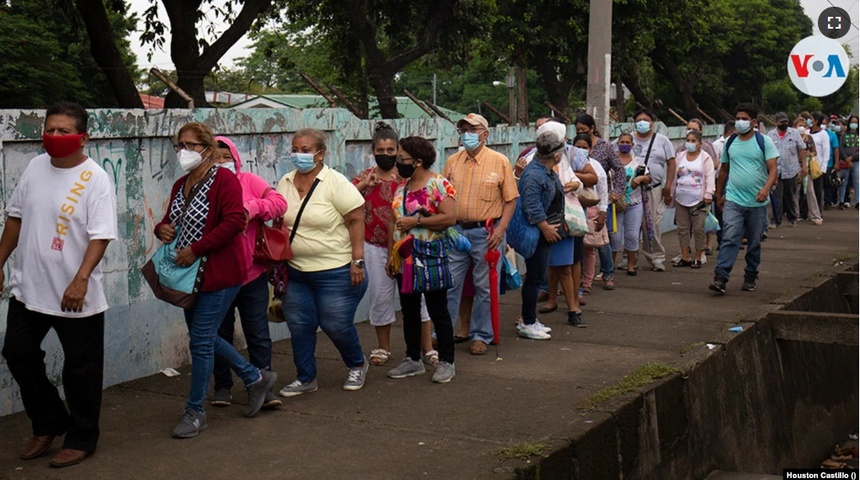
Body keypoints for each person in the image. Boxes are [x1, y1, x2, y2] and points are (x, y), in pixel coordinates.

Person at [0, 102, 117, 467]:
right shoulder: (36, 166)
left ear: (84, 137)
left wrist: (81, 280)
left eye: (65, 131)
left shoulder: (95, 178)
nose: (55, 136)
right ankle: (49, 420)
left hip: (73, 292)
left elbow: (101, 236)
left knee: (80, 369)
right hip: (29, 287)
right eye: (50, 128)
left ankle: (82, 437)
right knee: (17, 353)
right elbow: (16, 218)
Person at [155, 122, 277, 439]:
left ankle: (195, 411)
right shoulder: (181, 183)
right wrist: (162, 229)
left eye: (192, 145)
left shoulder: (224, 179)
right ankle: (255, 377)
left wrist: (196, 249)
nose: (184, 151)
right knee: (203, 335)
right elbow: (171, 219)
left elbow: (236, 220)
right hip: (188, 274)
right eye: (180, 144)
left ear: (208, 149)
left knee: (200, 340)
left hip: (221, 272)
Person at [276, 128, 369, 396]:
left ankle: (357, 363)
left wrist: (358, 261)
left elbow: (355, 220)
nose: (298, 155)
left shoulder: (335, 182)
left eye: (305, 150)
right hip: (296, 272)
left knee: (335, 324)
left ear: (320, 154)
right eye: (295, 149)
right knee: (299, 325)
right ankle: (306, 378)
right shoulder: (285, 181)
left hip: (336, 270)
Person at [209, 136, 288, 409]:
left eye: (225, 157)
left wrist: (252, 208)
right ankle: (222, 386)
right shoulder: (202, 187)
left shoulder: (249, 182)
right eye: (214, 157)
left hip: (251, 274)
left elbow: (279, 203)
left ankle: (263, 387)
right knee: (219, 333)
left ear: (235, 159)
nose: (221, 162)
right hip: (217, 275)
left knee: (258, 332)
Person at [352, 123, 434, 367]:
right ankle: (383, 347)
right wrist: (365, 186)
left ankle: (427, 347)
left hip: (410, 245)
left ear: (399, 151)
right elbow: (344, 201)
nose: (385, 154)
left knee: (419, 299)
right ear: (372, 150)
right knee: (380, 297)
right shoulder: (365, 178)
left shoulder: (408, 178)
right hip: (375, 247)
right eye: (380, 149)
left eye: (391, 150)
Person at [443, 114, 518, 356]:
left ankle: (481, 335)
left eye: (472, 129)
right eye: (463, 129)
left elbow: (510, 200)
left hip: (487, 233)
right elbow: (442, 195)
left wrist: (501, 229)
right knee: (449, 284)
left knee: (485, 287)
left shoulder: (499, 161)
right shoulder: (453, 161)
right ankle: (441, 333)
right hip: (456, 231)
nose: (466, 134)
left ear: (485, 134)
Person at [385, 136, 458, 382]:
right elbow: (393, 222)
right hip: (404, 260)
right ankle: (412, 358)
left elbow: (449, 218)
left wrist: (416, 221)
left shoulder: (438, 184)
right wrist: (390, 256)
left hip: (430, 258)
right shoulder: (401, 187)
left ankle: (447, 361)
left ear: (417, 161)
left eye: (402, 158)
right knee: (410, 310)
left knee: (438, 310)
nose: (397, 162)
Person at [710, 104, 778, 294]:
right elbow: (723, 170)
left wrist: (766, 189)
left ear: (754, 122)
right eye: (737, 118)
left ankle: (750, 275)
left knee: (754, 242)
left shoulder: (764, 142)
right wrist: (719, 194)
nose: (740, 122)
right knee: (730, 237)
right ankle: (721, 277)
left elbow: (773, 169)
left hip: (758, 202)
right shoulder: (731, 142)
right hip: (733, 199)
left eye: (744, 118)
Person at [516, 130, 567, 339]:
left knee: (537, 276)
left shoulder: (547, 171)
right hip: (538, 233)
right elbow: (531, 205)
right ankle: (527, 321)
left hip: (547, 231)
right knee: (534, 278)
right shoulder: (535, 174)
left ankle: (530, 319)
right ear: (556, 154)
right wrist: (545, 227)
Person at [575, 114, 624, 290]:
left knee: (600, 241)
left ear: (592, 128)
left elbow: (618, 169)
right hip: (577, 204)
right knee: (582, 246)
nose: (581, 132)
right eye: (578, 130)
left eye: (584, 129)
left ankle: (607, 273)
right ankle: (581, 281)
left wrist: (617, 192)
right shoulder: (570, 154)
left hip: (598, 201)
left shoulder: (604, 147)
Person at [630, 108, 675, 272]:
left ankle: (656, 257)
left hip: (653, 188)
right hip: (631, 189)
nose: (642, 122)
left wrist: (668, 186)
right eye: (639, 119)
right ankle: (630, 258)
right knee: (631, 224)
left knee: (652, 224)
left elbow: (671, 163)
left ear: (652, 123)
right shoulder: (627, 139)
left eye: (646, 119)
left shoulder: (662, 141)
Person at [671, 130, 715, 268]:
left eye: (693, 141)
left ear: (699, 144)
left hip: (699, 199)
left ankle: (698, 256)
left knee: (698, 228)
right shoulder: (679, 157)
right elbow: (673, 176)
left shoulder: (705, 158)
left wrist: (709, 194)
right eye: (687, 140)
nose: (689, 143)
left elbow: (709, 176)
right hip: (680, 197)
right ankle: (685, 256)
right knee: (683, 228)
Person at [610, 132, 649, 277]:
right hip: (615, 203)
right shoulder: (611, 160)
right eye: (622, 142)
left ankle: (631, 265)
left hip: (634, 203)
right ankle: (610, 265)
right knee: (614, 236)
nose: (624, 145)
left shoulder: (638, 162)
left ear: (632, 145)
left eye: (628, 142)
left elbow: (648, 177)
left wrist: (640, 179)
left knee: (632, 235)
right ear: (617, 143)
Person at [579, 138, 609, 294]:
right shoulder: (568, 164)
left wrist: (602, 212)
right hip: (573, 211)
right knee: (574, 250)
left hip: (592, 211)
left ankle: (587, 283)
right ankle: (573, 283)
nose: (581, 149)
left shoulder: (596, 167)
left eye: (584, 147)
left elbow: (603, 191)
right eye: (578, 146)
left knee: (590, 249)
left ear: (590, 149)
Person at [765, 113, 806, 229]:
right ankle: (776, 220)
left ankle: (792, 218)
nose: (784, 124)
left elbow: (802, 149)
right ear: (776, 122)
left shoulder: (794, 133)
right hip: (776, 171)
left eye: (786, 122)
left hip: (791, 169)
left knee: (790, 195)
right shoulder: (770, 135)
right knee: (777, 197)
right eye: (782, 122)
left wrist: (804, 166)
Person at [796, 118, 824, 226]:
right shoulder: (793, 138)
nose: (801, 127)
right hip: (794, 168)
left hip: (806, 168)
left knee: (810, 192)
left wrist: (808, 154)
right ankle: (795, 215)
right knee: (794, 193)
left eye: (803, 125)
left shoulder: (809, 138)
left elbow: (814, 152)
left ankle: (815, 216)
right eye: (799, 125)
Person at [808, 112, 831, 214]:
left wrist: (823, 167)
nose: (809, 120)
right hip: (806, 165)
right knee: (806, 191)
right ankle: (805, 213)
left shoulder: (823, 134)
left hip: (817, 167)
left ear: (816, 121)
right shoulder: (807, 132)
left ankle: (818, 212)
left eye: (811, 118)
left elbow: (826, 151)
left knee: (817, 191)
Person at [838, 115, 859, 208]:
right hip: (845, 161)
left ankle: (858, 202)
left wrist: (852, 157)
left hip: (856, 161)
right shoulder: (844, 134)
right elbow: (841, 147)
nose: (854, 124)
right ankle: (841, 201)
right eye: (852, 122)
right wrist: (846, 158)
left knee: (857, 182)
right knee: (843, 182)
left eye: (856, 122)